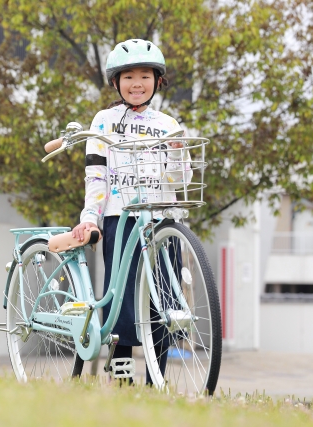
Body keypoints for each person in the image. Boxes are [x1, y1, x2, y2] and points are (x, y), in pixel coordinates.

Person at [71, 39, 192, 384]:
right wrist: (89, 217)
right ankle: (122, 375)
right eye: (128, 77)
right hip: (119, 218)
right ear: (115, 82)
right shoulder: (103, 120)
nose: (136, 84)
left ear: (157, 80)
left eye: (144, 76)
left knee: (166, 301)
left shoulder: (169, 123)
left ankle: (158, 380)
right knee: (121, 301)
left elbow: (180, 179)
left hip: (161, 220)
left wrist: (178, 151)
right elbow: (96, 175)